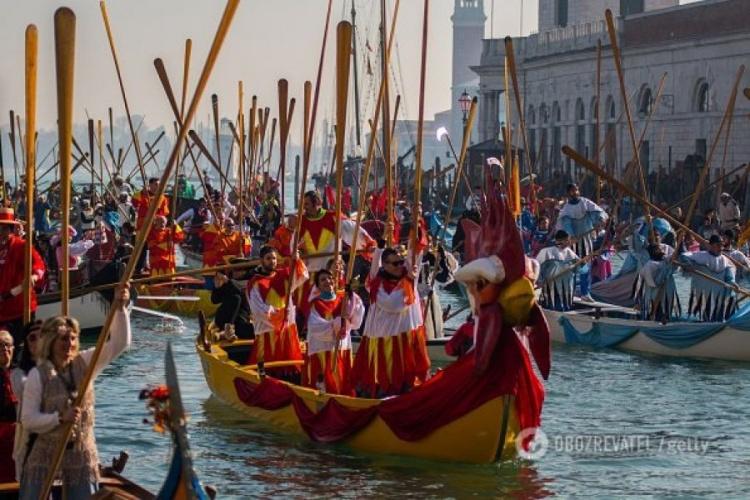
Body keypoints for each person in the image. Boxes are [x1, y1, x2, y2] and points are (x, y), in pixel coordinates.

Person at [20, 283, 130, 499]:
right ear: (51, 341)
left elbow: (119, 344)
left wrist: (120, 308)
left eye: (73, 338)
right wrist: (59, 418)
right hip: (45, 454)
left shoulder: (86, 362)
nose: (70, 343)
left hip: (81, 453)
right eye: (64, 338)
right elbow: (29, 419)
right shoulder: (38, 375)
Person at [350, 245, 430, 397]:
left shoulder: (408, 278)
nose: (400, 266)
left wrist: (417, 238)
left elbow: (415, 258)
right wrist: (408, 280)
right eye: (395, 264)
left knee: (407, 380)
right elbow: (394, 304)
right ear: (384, 265)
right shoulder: (376, 285)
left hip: (405, 339)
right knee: (385, 381)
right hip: (384, 341)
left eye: (401, 262)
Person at [246, 246, 308, 378]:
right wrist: (280, 315)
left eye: (274, 258)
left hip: (285, 328)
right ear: (261, 261)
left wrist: (296, 260)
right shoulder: (254, 283)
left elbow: (302, 275)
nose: (272, 261)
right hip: (266, 329)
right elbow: (258, 311)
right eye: (268, 258)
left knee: (286, 365)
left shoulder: (284, 275)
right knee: (266, 364)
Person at [303, 269, 364, 395]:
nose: (327, 281)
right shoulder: (315, 303)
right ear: (318, 285)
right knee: (326, 385)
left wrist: (352, 296)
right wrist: (335, 325)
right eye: (323, 279)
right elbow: (315, 327)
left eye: (330, 278)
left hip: (342, 349)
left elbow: (356, 320)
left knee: (344, 383)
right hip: (322, 350)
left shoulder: (344, 299)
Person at [0, 207, 46, 349]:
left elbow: (39, 266)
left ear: (11, 230)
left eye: (4, 229)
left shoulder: (23, 247)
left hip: (20, 310)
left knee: (22, 353)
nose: (1, 233)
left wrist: (33, 276)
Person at [555, 183, 608, 301]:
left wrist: (600, 219)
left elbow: (597, 211)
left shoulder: (585, 202)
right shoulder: (566, 209)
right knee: (572, 267)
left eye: (576, 190)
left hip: (586, 239)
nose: (575, 193)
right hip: (574, 241)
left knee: (586, 266)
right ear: (568, 193)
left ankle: (585, 293)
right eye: (572, 191)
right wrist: (571, 235)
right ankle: (570, 292)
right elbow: (565, 223)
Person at [10, 320, 43, 481]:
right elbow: (28, 390)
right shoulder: (17, 374)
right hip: (29, 441)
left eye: (43, 336)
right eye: (32, 338)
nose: (39, 341)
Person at [679, 234, 738, 322]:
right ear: (711, 245)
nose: (721, 248)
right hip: (702, 294)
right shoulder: (700, 256)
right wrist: (687, 264)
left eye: (722, 245)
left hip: (719, 296)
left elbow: (730, 277)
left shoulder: (726, 261)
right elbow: (684, 256)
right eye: (718, 245)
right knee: (701, 315)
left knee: (721, 312)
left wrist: (732, 283)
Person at [536, 230, 580, 311]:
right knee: (553, 303)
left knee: (565, 304)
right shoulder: (546, 252)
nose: (568, 242)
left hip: (567, 285)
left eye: (568, 240)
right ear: (558, 240)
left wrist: (582, 262)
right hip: (551, 284)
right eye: (566, 240)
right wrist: (539, 280)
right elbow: (537, 266)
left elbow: (578, 268)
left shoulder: (570, 252)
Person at [638, 243, 680, 322]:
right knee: (658, 310)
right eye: (659, 249)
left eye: (661, 248)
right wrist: (664, 271)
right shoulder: (650, 265)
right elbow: (653, 282)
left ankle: (667, 321)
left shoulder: (664, 260)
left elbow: (673, 256)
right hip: (657, 293)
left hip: (667, 291)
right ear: (654, 252)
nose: (662, 250)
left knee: (667, 308)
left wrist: (677, 252)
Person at [211, 272, 254, 340]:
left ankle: (223, 334)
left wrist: (227, 281)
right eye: (235, 270)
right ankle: (227, 329)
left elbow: (239, 291)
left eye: (239, 270)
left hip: (240, 321)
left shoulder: (248, 281)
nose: (236, 273)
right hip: (224, 319)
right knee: (236, 298)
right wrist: (217, 288)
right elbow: (214, 300)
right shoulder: (225, 282)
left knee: (257, 330)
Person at [1, 329, 17, 483]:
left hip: (18, 433)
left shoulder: (21, 372)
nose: (4, 349)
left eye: (7, 345)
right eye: (0, 346)